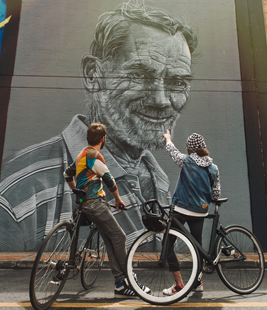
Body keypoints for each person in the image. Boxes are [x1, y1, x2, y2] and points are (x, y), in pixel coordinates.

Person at [0, 2, 198, 251]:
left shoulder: (158, 178)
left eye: (177, 81)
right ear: (94, 75)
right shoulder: (19, 196)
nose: (160, 100)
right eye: (137, 75)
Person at [64, 122, 150, 298]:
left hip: (85, 205)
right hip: (96, 204)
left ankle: (120, 284)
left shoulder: (81, 154)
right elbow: (110, 181)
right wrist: (118, 200)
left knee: (111, 241)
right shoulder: (95, 156)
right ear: (103, 139)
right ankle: (131, 280)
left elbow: (67, 174)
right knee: (120, 237)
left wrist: (76, 191)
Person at [162, 130, 221, 295]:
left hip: (181, 209)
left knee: (167, 244)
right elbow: (216, 194)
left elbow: (172, 151)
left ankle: (179, 285)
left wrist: (168, 138)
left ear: (189, 149)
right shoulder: (213, 168)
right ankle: (197, 282)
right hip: (200, 212)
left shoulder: (186, 161)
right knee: (197, 247)